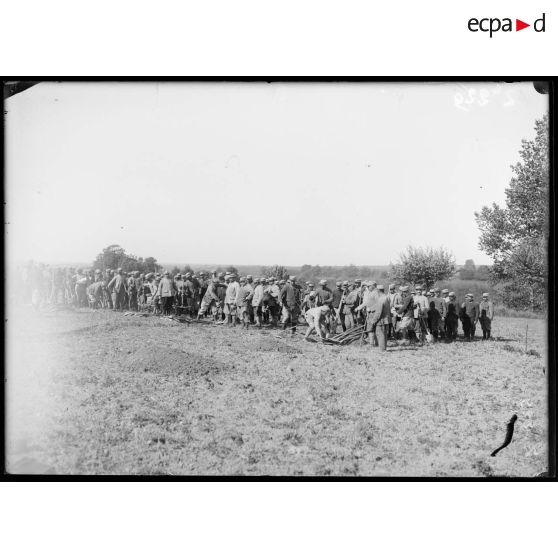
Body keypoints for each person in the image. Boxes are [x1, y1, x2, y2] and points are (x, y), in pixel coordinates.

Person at [369, 285, 392, 351]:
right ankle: (384, 348)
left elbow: (378, 312)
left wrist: (373, 321)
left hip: (381, 320)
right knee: (384, 334)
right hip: (386, 319)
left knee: (380, 334)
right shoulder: (387, 297)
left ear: (378, 291)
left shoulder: (380, 299)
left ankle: (382, 349)